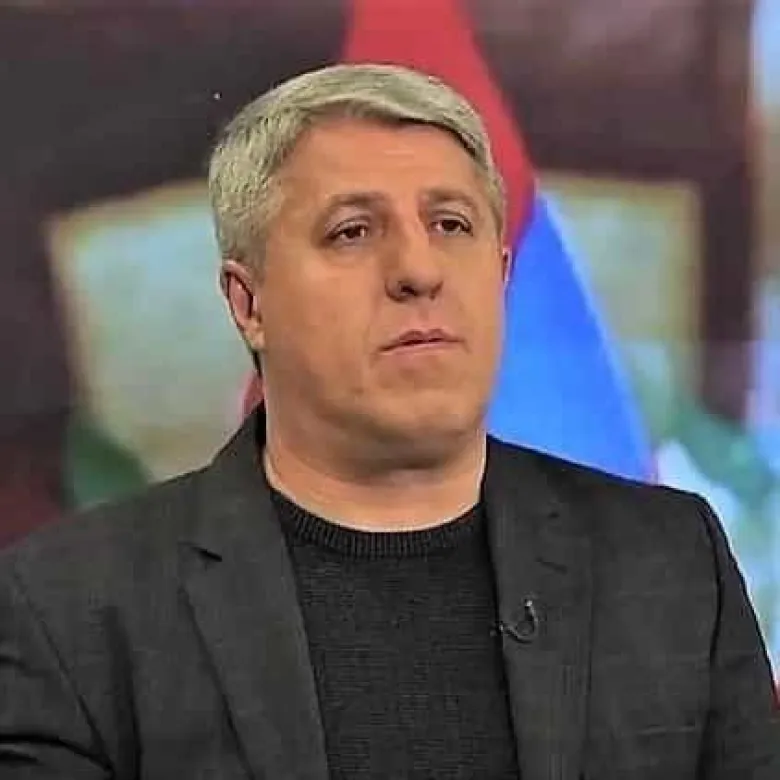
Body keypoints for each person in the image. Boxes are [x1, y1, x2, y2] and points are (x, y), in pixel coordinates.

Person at [0, 63, 777, 780]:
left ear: (501, 274)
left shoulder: (672, 561)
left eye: (452, 225)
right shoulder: (69, 610)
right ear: (249, 303)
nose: (418, 270)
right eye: (352, 231)